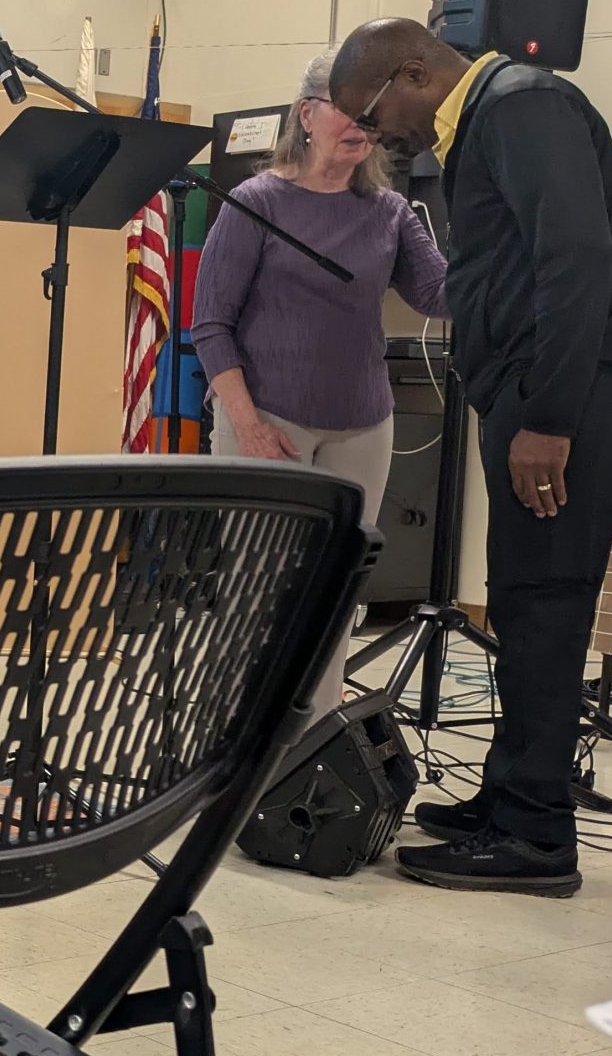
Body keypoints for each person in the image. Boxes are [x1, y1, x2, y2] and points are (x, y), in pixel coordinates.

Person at [329, 17, 612, 898]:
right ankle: (510, 795)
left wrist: (548, 418)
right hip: (534, 381)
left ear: (413, 71)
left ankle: (535, 836)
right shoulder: (489, 118)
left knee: (545, 601)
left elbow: (575, 260)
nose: (376, 135)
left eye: (371, 113)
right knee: (520, 600)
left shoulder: (521, 105)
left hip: (566, 391)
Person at [190, 47, 447, 714]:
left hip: (363, 425)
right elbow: (210, 325)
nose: (362, 123)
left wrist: (500, 234)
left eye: (373, 112)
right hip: (265, 420)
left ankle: (316, 741)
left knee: (336, 590)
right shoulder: (255, 202)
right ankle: (243, 740)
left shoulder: (389, 211)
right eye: (349, 108)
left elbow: (440, 296)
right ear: (306, 115)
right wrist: (247, 425)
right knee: (257, 592)